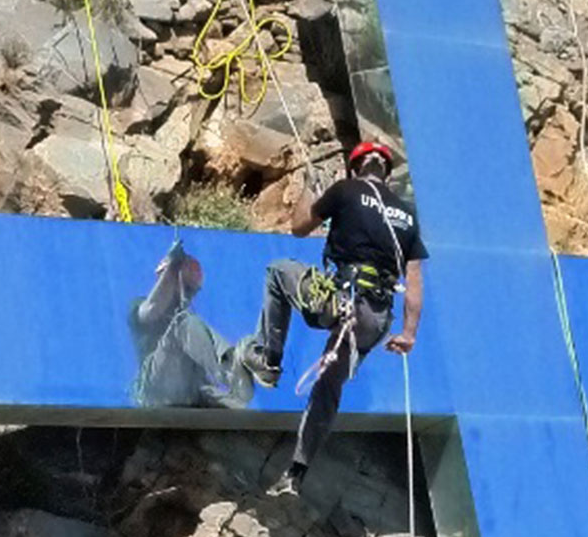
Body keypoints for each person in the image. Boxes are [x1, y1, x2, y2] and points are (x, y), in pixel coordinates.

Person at [240, 141, 428, 496]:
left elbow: (299, 227)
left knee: (279, 271)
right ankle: (296, 474)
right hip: (375, 317)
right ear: (387, 175)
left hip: (340, 298)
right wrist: (409, 334)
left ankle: (269, 360)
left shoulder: (346, 190)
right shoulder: (407, 216)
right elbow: (414, 279)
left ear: (355, 169)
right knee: (329, 386)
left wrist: (310, 189)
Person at [129, 241, 255, 409]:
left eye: (191, 291)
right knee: (184, 323)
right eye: (185, 287)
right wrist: (173, 266)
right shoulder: (141, 307)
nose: (188, 295)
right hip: (155, 390)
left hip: (185, 393)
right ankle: (231, 372)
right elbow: (152, 308)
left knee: (234, 405)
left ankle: (235, 372)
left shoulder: (194, 337)